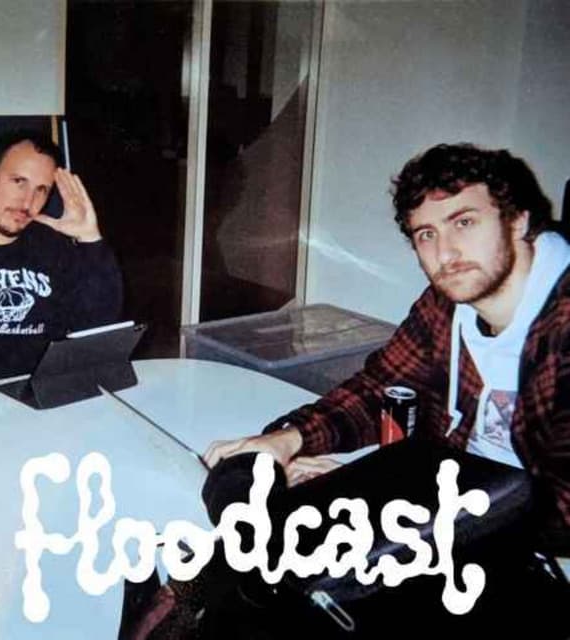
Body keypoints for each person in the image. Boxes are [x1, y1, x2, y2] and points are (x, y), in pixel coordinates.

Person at [205, 142, 570, 542]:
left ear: (517, 221)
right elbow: (381, 390)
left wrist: (388, 491)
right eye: (426, 234)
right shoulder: (446, 304)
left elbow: (560, 511)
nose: (446, 253)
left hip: (520, 539)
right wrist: (288, 441)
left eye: (464, 222)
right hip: (442, 501)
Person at [0, 129, 123, 395]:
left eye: (41, 190)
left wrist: (90, 238)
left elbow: (99, 327)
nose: (27, 202)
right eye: (18, 181)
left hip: (42, 395)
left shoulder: (52, 247)